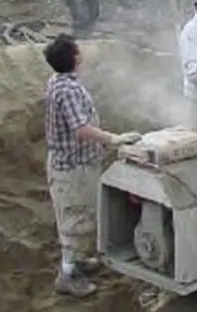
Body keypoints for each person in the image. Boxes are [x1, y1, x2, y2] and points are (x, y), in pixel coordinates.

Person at [42, 34, 140, 298]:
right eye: (77, 49)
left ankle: (76, 261)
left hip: (77, 163)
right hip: (73, 167)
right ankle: (67, 274)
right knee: (74, 219)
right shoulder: (69, 89)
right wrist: (113, 139)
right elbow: (81, 129)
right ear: (74, 57)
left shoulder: (58, 81)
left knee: (82, 215)